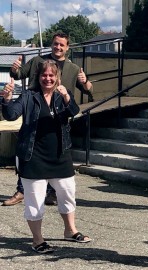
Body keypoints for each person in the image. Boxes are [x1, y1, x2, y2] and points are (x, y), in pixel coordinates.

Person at [1, 60, 91, 254]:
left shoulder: (61, 95)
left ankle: (70, 230)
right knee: (35, 200)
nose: (47, 78)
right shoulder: (28, 96)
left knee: (67, 194)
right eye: (44, 75)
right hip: (33, 157)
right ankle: (37, 240)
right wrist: (6, 100)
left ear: (57, 77)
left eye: (51, 75)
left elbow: (74, 112)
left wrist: (67, 96)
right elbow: (11, 115)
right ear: (38, 77)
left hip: (60, 155)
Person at [3, 32, 93, 207]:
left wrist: (85, 81)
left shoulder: (73, 69)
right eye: (55, 44)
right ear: (51, 45)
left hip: (59, 115)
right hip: (34, 110)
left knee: (56, 150)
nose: (58, 47)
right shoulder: (38, 61)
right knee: (28, 150)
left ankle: (51, 193)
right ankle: (22, 190)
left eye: (61, 45)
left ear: (67, 47)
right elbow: (19, 74)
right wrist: (14, 69)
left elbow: (88, 91)